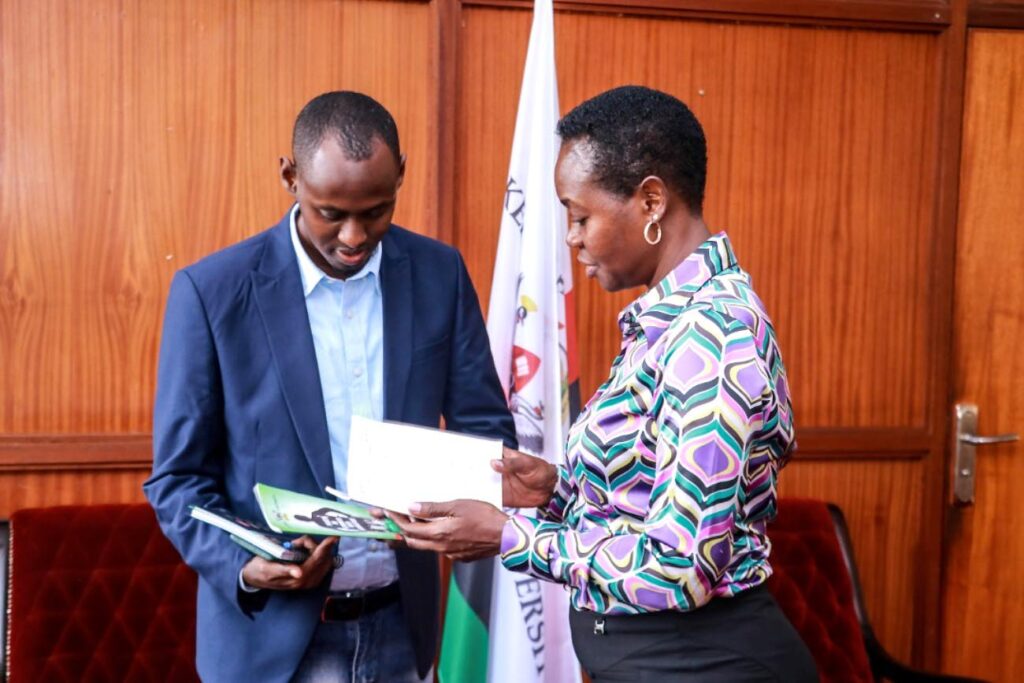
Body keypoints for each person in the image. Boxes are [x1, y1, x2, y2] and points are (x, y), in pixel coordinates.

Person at [389, 86, 818, 682]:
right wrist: (555, 492)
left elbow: (680, 564)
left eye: (580, 215)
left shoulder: (711, 337)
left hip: (710, 666)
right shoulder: (667, 323)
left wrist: (512, 535)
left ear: (649, 202)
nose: (572, 238)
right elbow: (648, 500)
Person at [144, 91, 516, 683]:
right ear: (289, 176)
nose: (353, 235)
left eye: (376, 210)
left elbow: (486, 431)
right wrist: (246, 563)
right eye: (330, 213)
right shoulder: (211, 293)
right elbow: (177, 481)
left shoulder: (439, 274)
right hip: (270, 645)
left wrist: (459, 509)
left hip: (403, 625)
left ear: (401, 174)